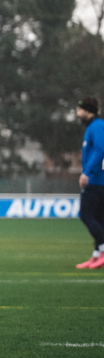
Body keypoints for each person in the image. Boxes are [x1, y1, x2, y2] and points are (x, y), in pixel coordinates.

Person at [75, 98, 104, 269]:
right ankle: (96, 255)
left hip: (96, 181)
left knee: (85, 215)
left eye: (79, 110)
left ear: (88, 111)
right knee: (99, 219)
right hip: (98, 180)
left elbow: (101, 149)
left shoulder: (97, 126)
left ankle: (103, 249)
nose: (77, 114)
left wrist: (87, 173)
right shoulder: (93, 127)